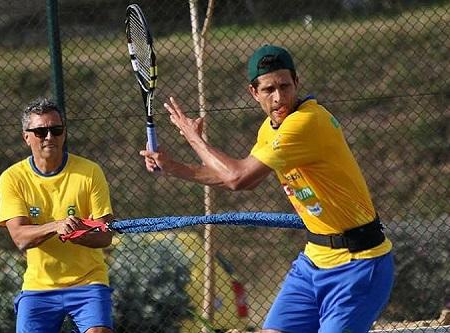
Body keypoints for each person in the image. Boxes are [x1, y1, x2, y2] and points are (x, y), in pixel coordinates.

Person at [140, 45, 395, 333]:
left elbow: (239, 178)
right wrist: (173, 167)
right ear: (253, 92)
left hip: (359, 265)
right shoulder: (270, 129)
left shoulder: (307, 122)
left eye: (285, 86)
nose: (278, 97)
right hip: (314, 259)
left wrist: (193, 138)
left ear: (297, 83)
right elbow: (238, 179)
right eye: (269, 89)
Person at [0, 98, 114, 333]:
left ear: (64, 133)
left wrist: (77, 233)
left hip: (89, 283)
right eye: (40, 131)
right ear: (26, 137)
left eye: (56, 130)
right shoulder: (12, 178)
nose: (49, 136)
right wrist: (56, 226)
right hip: (39, 287)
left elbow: (105, 236)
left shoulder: (90, 172)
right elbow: (20, 237)